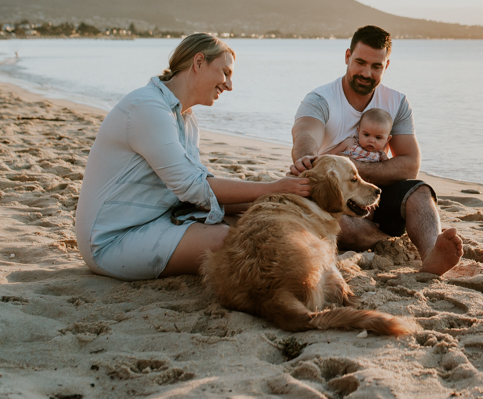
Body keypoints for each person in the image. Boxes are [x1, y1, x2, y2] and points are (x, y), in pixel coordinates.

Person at [75, 33, 309, 281]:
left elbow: (197, 191)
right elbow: (193, 188)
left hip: (158, 218)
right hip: (111, 240)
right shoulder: (147, 108)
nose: (229, 85)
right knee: (233, 240)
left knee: (258, 219)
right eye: (225, 73)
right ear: (198, 62)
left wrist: (277, 196)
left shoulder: (185, 119)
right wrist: (274, 188)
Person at [290, 25, 463, 275]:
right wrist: (307, 158)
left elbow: (410, 164)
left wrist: (352, 169)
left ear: (387, 65)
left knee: (420, 191)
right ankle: (384, 240)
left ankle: (431, 256)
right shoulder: (320, 99)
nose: (366, 73)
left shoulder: (397, 102)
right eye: (360, 62)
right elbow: (305, 135)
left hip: (378, 193)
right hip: (334, 194)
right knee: (335, 222)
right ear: (347, 56)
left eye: (376, 66)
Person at [328, 108, 393, 163]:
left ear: (387, 139)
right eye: (366, 135)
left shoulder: (381, 156)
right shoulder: (351, 143)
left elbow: (386, 170)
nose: (371, 140)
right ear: (359, 131)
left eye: (378, 138)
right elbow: (331, 154)